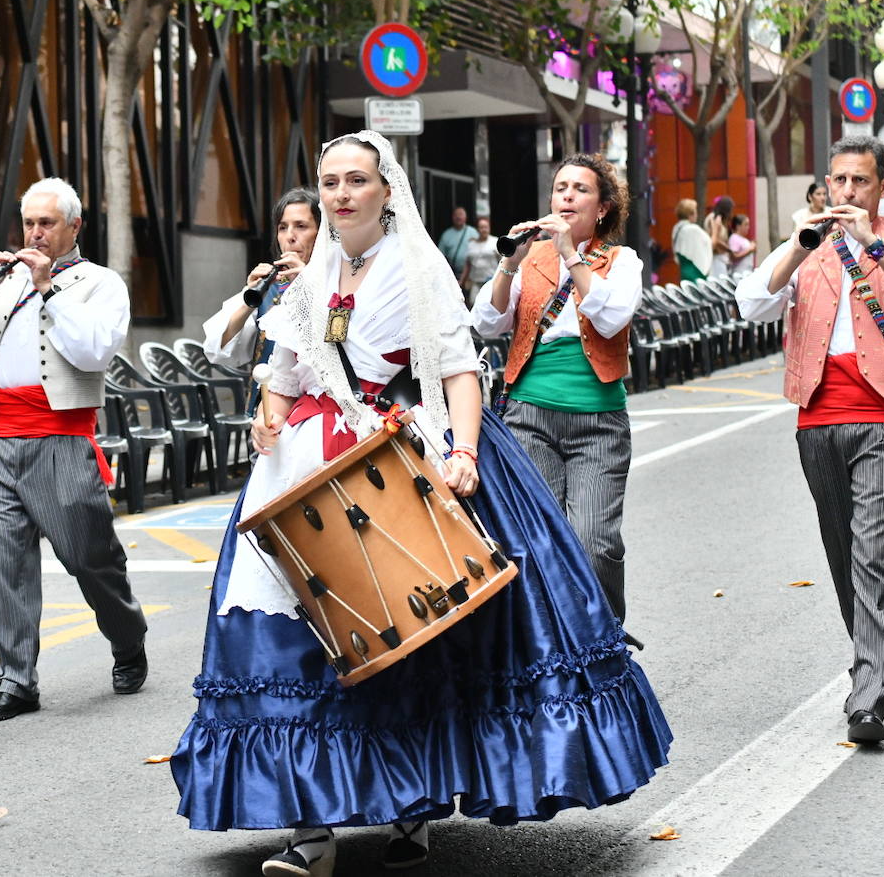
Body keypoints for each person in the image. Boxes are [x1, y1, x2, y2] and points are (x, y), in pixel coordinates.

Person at [170, 132, 670, 877]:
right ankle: (311, 830)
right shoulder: (310, 277)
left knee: (407, 634)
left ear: (384, 190)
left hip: (397, 454)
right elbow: (283, 369)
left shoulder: (417, 264)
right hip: (302, 468)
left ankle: (411, 806)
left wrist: (465, 455)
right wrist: (267, 413)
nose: (341, 195)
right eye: (330, 182)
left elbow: (461, 368)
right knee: (296, 645)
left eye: (356, 181)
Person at [736, 136, 884, 744]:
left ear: (883, 187)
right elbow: (750, 302)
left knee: (875, 551)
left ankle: (869, 698)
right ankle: (869, 663)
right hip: (816, 422)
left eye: (860, 182)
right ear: (825, 185)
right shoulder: (807, 245)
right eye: (838, 181)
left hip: (883, 417)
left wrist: (875, 245)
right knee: (842, 552)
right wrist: (797, 250)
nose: (847, 193)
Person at [0, 177, 148, 723]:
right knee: (3, 564)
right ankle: (16, 678)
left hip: (60, 438)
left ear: (74, 227)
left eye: (47, 223)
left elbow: (94, 352)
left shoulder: (99, 283)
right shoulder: (4, 284)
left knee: (89, 558)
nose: (35, 232)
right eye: (29, 222)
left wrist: (49, 288)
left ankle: (128, 639)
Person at [471, 153, 642, 628]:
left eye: (580, 189)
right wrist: (509, 263)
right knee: (538, 539)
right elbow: (486, 322)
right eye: (561, 188)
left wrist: (571, 253)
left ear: (603, 207)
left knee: (595, 542)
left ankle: (605, 636)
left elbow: (610, 318)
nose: (567, 196)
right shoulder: (530, 260)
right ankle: (556, 647)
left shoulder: (622, 261)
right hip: (528, 413)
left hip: (598, 420)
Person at [201, 187, 318, 413]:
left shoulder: (337, 283)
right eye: (283, 227)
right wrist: (250, 298)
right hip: (266, 415)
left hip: (316, 414)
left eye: (301, 226)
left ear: (321, 232)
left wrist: (307, 282)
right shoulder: (270, 287)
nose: (290, 236)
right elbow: (216, 348)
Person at [671, 198, 712, 281]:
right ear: (690, 214)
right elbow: (709, 243)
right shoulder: (692, 230)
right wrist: (716, 229)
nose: (697, 214)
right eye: (695, 212)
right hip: (695, 271)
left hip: (684, 270)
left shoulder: (677, 228)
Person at [463, 215, 499, 301]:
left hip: (491, 281)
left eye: (486, 227)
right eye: (481, 227)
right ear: (477, 229)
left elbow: (503, 261)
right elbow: (468, 264)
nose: (484, 230)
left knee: (489, 303)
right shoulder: (471, 244)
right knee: (473, 302)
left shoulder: (495, 242)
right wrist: (462, 280)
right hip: (475, 281)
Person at [436, 205, 472, 285]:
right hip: (452, 275)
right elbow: (440, 256)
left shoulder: (473, 233)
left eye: (461, 214)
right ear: (452, 217)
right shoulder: (446, 235)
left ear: (466, 217)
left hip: (470, 276)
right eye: (456, 215)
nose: (458, 217)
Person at [704, 196, 734, 278]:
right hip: (716, 258)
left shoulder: (717, 218)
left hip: (719, 258)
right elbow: (715, 240)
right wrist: (729, 250)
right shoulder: (715, 219)